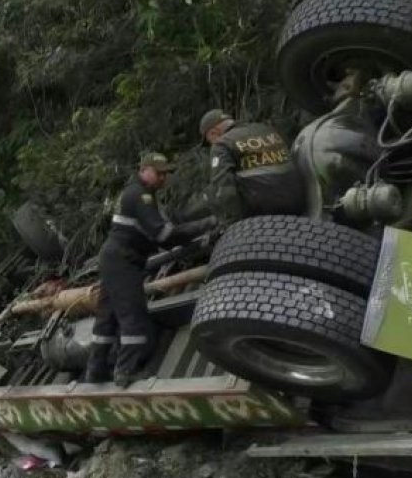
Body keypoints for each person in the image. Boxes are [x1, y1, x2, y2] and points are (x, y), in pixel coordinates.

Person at [85, 153, 217, 387]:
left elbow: (161, 238)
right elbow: (164, 235)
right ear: (144, 170)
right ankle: (125, 372)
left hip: (113, 259)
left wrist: (191, 239)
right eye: (159, 173)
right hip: (123, 261)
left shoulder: (135, 193)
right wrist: (205, 224)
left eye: (166, 173)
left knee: (108, 316)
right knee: (133, 316)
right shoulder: (141, 196)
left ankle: (95, 371)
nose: (163, 178)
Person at [199, 109, 305, 226]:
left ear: (213, 133)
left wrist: (234, 225)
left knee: (212, 190)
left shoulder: (222, 143)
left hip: (263, 211)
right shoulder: (266, 129)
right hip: (298, 201)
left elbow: (224, 188)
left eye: (209, 141)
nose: (211, 144)